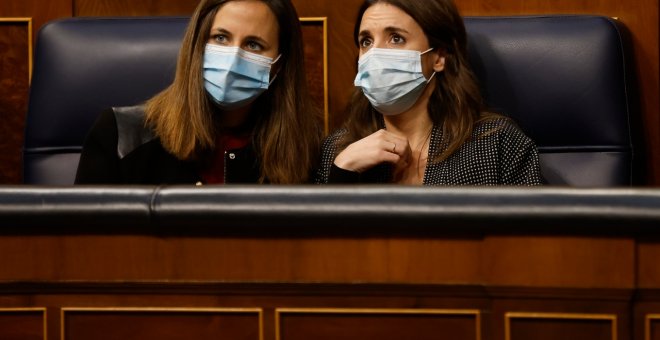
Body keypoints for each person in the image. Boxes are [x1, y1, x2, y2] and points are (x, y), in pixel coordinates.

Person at [75, 0, 320, 184]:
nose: (233, 59)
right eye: (220, 38)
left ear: (278, 64)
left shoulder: (300, 148)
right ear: (197, 45)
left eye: (253, 45)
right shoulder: (121, 136)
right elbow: (83, 245)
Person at [316, 0, 543, 185]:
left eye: (396, 38)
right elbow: (317, 239)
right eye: (366, 41)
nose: (374, 55)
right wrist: (342, 173)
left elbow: (536, 238)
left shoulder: (497, 143)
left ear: (439, 57)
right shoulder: (337, 150)